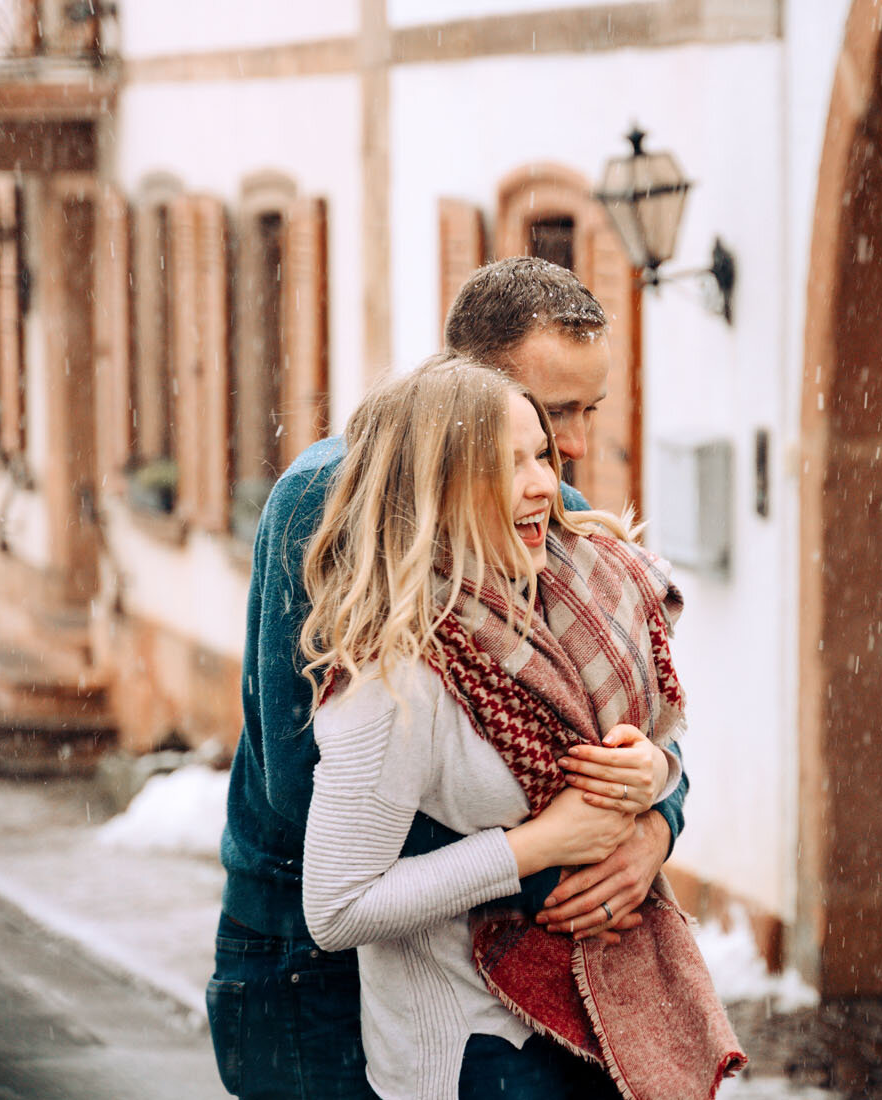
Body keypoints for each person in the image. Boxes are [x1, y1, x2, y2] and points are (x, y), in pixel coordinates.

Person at [208, 258, 689, 1098]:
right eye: (553, 413)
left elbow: (637, 711)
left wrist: (653, 811)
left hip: (468, 970)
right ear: (463, 391)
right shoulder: (327, 499)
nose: (571, 450)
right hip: (301, 963)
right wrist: (551, 835)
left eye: (586, 413)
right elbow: (303, 792)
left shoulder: (538, 504)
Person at [300, 358, 742, 1099]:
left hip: (603, 1021)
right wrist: (539, 845)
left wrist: (651, 777)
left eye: (540, 453)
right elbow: (337, 907)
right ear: (435, 492)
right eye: (507, 466)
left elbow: (655, 736)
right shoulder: (398, 675)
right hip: (480, 1048)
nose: (545, 482)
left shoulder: (580, 596)